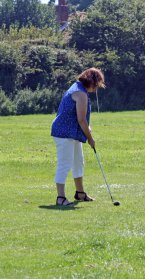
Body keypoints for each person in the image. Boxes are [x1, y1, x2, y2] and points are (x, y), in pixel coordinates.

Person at [51, 68, 105, 206]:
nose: (97, 87)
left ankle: (80, 193)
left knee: (78, 162)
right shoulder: (80, 93)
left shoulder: (79, 89)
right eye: (97, 84)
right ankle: (60, 198)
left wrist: (88, 128)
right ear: (92, 81)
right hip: (64, 133)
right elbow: (81, 119)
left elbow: (80, 118)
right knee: (65, 163)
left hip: (72, 132)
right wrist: (90, 138)